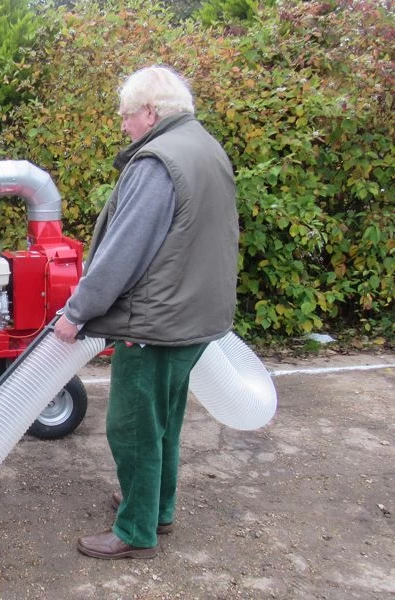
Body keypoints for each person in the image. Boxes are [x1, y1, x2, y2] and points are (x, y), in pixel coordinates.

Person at [53, 65, 239, 559]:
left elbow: (123, 252)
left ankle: (135, 529)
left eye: (127, 116)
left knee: (132, 426)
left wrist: (76, 312)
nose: (123, 126)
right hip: (194, 319)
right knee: (164, 420)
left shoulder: (157, 162)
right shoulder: (206, 148)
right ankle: (158, 506)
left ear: (151, 113)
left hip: (152, 323)